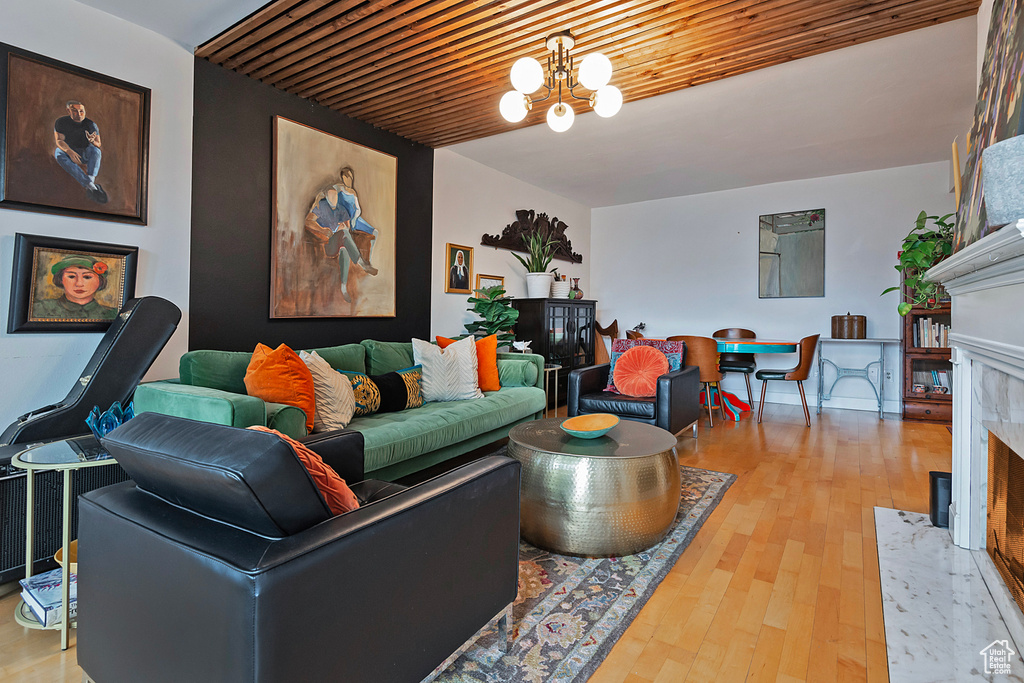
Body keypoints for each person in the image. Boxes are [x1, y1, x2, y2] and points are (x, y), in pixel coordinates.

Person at [32, 254, 117, 320]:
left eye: (87, 277)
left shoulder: (113, 314)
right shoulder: (40, 309)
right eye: (71, 276)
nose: (79, 283)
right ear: (61, 279)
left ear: (100, 281)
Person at [54, 101, 107, 204]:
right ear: (68, 111)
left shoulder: (90, 124)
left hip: (85, 153)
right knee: (58, 153)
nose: (79, 114)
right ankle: (92, 187)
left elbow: (98, 144)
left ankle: (90, 182)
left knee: (96, 151)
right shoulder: (61, 122)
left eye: (81, 111)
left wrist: (92, 141)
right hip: (69, 152)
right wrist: (69, 151)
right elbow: (59, 140)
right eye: (75, 111)